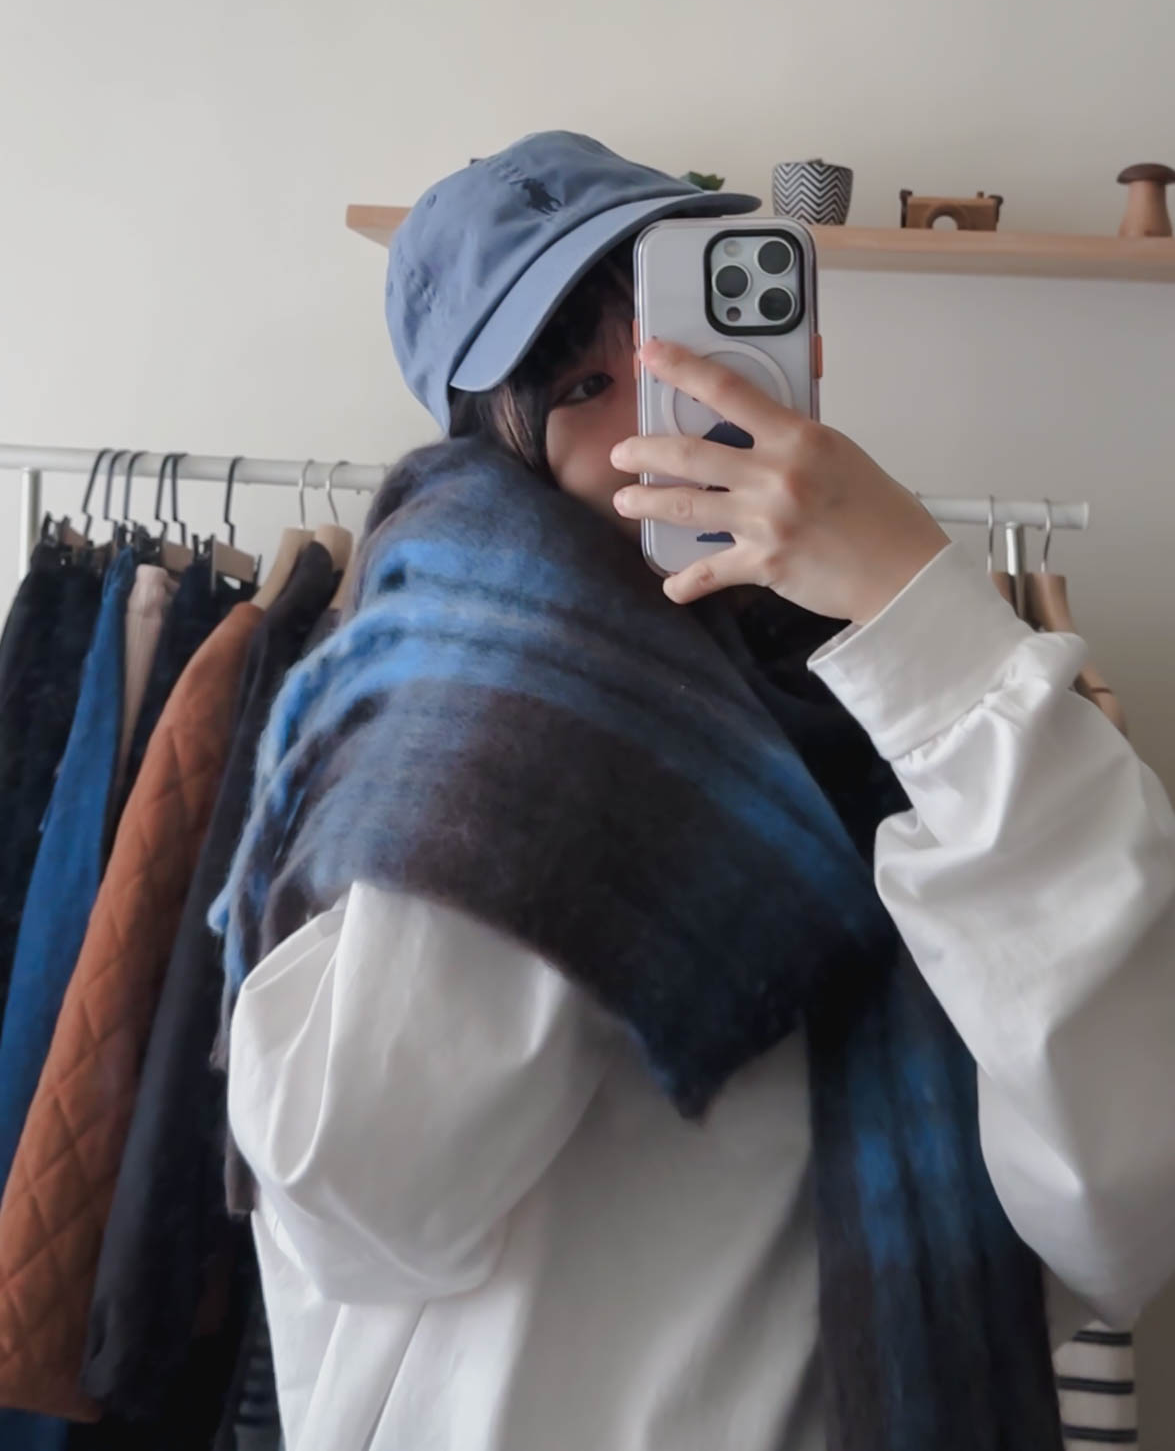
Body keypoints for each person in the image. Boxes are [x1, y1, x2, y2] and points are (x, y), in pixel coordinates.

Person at [223, 132, 1175, 1451]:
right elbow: (362, 1205)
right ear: (496, 448)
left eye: (685, 344)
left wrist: (917, 615)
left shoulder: (931, 696)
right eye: (581, 383)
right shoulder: (422, 724)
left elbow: (1125, 1204)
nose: (658, 415)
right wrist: (545, 715)